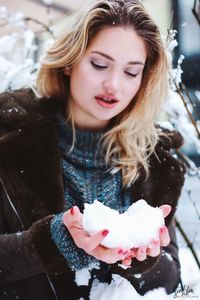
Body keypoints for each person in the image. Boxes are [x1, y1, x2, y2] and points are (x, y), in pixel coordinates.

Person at [0, 0, 186, 299]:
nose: (113, 84)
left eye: (131, 71)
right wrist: (55, 243)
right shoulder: (10, 141)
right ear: (70, 61)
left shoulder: (155, 158)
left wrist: (141, 256)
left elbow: (171, 276)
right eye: (99, 64)